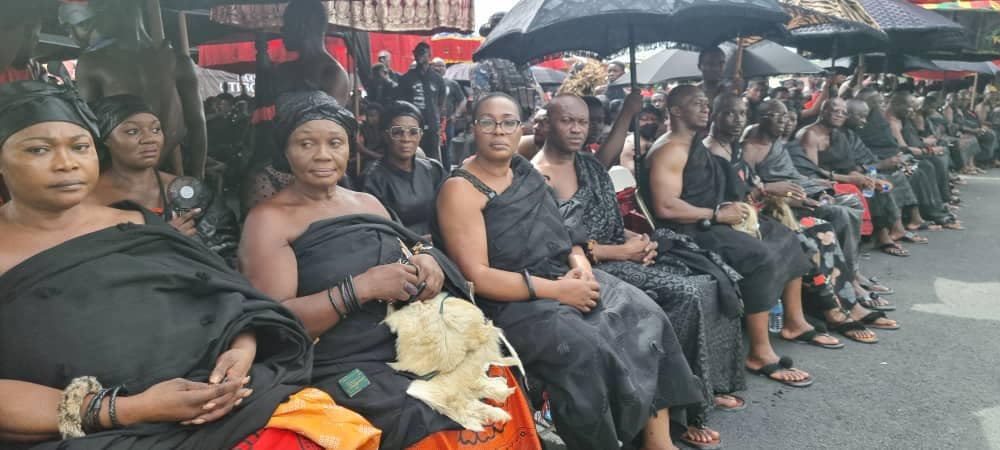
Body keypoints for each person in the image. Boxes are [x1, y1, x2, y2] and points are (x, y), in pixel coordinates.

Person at [0, 81, 380, 450]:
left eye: (79, 146)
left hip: (216, 401)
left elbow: (232, 302)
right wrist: (128, 409)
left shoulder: (134, 226)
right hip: (93, 430)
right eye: (38, 150)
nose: (66, 163)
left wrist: (240, 350)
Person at [239, 90, 539, 450]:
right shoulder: (268, 221)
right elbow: (280, 325)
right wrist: (360, 289)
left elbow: (414, 243)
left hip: (410, 339)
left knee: (494, 374)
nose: (322, 155)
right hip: (342, 361)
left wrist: (428, 259)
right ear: (286, 151)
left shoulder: (366, 202)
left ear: (350, 149)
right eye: (306, 144)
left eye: (335, 143)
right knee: (424, 415)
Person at [436, 93, 705, 450]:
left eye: (508, 122)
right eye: (488, 122)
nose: (498, 131)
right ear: (474, 128)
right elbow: (477, 276)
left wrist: (581, 268)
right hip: (512, 300)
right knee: (585, 344)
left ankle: (658, 441)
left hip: (561, 272)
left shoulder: (524, 171)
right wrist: (558, 291)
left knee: (645, 312)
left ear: (522, 129)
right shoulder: (462, 190)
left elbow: (568, 236)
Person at [533, 95, 746, 448]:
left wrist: (637, 240)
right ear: (547, 123)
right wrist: (624, 252)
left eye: (582, 123)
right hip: (587, 267)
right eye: (566, 121)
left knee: (711, 278)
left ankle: (701, 389)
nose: (575, 130)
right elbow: (558, 247)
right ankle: (678, 412)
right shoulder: (538, 175)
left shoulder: (587, 165)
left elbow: (608, 221)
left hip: (620, 252)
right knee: (685, 295)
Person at [641, 85, 828, 389]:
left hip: (706, 218)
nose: (705, 108)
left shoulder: (692, 143)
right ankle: (759, 352)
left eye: (706, 103)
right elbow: (666, 206)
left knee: (783, 235)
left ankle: (795, 322)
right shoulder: (671, 148)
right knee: (759, 255)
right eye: (697, 104)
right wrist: (717, 214)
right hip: (686, 231)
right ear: (675, 111)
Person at [86, 94, 239, 266]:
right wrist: (161, 241)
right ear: (105, 139)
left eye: (156, 130)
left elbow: (225, 255)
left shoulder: (188, 193)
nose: (149, 139)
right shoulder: (86, 198)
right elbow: (84, 262)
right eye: (132, 131)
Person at [74, 0, 207, 179]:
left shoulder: (92, 63)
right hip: (144, 171)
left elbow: (87, 129)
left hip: (125, 175)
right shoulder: (177, 61)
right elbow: (197, 125)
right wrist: (198, 177)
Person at [363, 101, 446, 238]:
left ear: (420, 136)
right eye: (397, 132)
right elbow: (377, 231)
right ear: (385, 135)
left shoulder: (433, 170)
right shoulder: (372, 178)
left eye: (413, 132)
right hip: (401, 251)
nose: (406, 139)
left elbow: (450, 210)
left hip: (439, 243)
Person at [396, 43, 447, 168]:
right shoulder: (407, 78)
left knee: (433, 159)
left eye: (422, 53)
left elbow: (441, 102)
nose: (418, 56)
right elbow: (401, 103)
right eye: (416, 53)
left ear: (429, 55)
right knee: (412, 156)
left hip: (432, 127)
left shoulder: (437, 79)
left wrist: (437, 121)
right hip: (412, 125)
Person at [432, 57, 469, 159]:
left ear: (445, 69)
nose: (439, 68)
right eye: (436, 65)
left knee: (446, 151)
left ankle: (447, 173)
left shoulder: (452, 84)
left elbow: (463, 100)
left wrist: (455, 115)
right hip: (430, 123)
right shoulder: (427, 83)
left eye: (442, 66)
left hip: (447, 123)